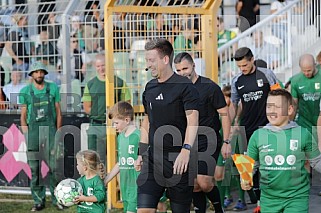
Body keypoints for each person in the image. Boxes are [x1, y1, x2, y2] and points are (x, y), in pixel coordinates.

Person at [135, 38, 199, 213]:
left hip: (179, 160)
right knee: (144, 210)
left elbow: (193, 120)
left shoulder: (185, 86)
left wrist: (186, 151)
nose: (148, 65)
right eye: (147, 60)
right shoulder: (149, 88)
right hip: (153, 160)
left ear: (165, 59)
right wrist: (141, 152)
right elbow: (147, 120)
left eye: (151, 60)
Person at [241, 89, 321, 213]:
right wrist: (245, 179)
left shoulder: (303, 134)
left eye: (277, 107)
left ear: (289, 110)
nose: (271, 111)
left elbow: (316, 162)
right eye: (269, 106)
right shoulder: (257, 135)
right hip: (268, 199)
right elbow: (250, 165)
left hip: (297, 197)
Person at [174, 52, 231, 213]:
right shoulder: (177, 89)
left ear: (193, 65)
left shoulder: (209, 87)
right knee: (194, 184)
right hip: (188, 141)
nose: (182, 73)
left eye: (185, 68)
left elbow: (225, 114)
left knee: (204, 182)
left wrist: (226, 141)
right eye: (178, 70)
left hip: (209, 139)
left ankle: (219, 209)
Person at [231, 47, 281, 212]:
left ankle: (268, 202)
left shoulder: (266, 74)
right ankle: (255, 200)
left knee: (270, 165)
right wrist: (233, 124)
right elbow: (234, 104)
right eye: (240, 66)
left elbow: (280, 96)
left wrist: (280, 122)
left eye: (245, 65)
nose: (243, 69)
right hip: (247, 128)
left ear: (252, 60)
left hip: (267, 126)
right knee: (249, 168)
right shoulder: (237, 80)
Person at [19, 61, 62, 211]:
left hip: (50, 131)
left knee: (55, 167)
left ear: (44, 73)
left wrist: (57, 132)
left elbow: (58, 112)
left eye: (41, 72)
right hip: (33, 133)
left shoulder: (53, 88)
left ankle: (58, 199)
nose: (39, 74)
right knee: (35, 169)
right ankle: (38, 201)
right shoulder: (25, 91)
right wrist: (26, 134)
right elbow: (23, 116)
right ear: (31, 74)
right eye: (36, 72)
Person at [82, 54, 131, 166]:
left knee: (115, 159)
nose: (101, 68)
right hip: (96, 126)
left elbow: (127, 104)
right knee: (95, 160)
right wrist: (101, 115)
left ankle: (115, 183)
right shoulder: (90, 84)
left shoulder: (119, 83)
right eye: (98, 66)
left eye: (103, 65)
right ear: (95, 67)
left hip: (115, 127)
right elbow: (87, 107)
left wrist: (115, 118)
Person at [105, 101, 140, 213]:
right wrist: (106, 180)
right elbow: (121, 162)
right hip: (125, 186)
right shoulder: (121, 137)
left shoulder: (139, 136)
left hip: (137, 186)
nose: (114, 126)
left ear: (126, 120)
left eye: (116, 123)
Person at [291, 54, 321, 138]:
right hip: (304, 122)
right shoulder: (295, 81)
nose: (306, 73)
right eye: (304, 71)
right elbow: (294, 105)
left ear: (315, 65)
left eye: (309, 70)